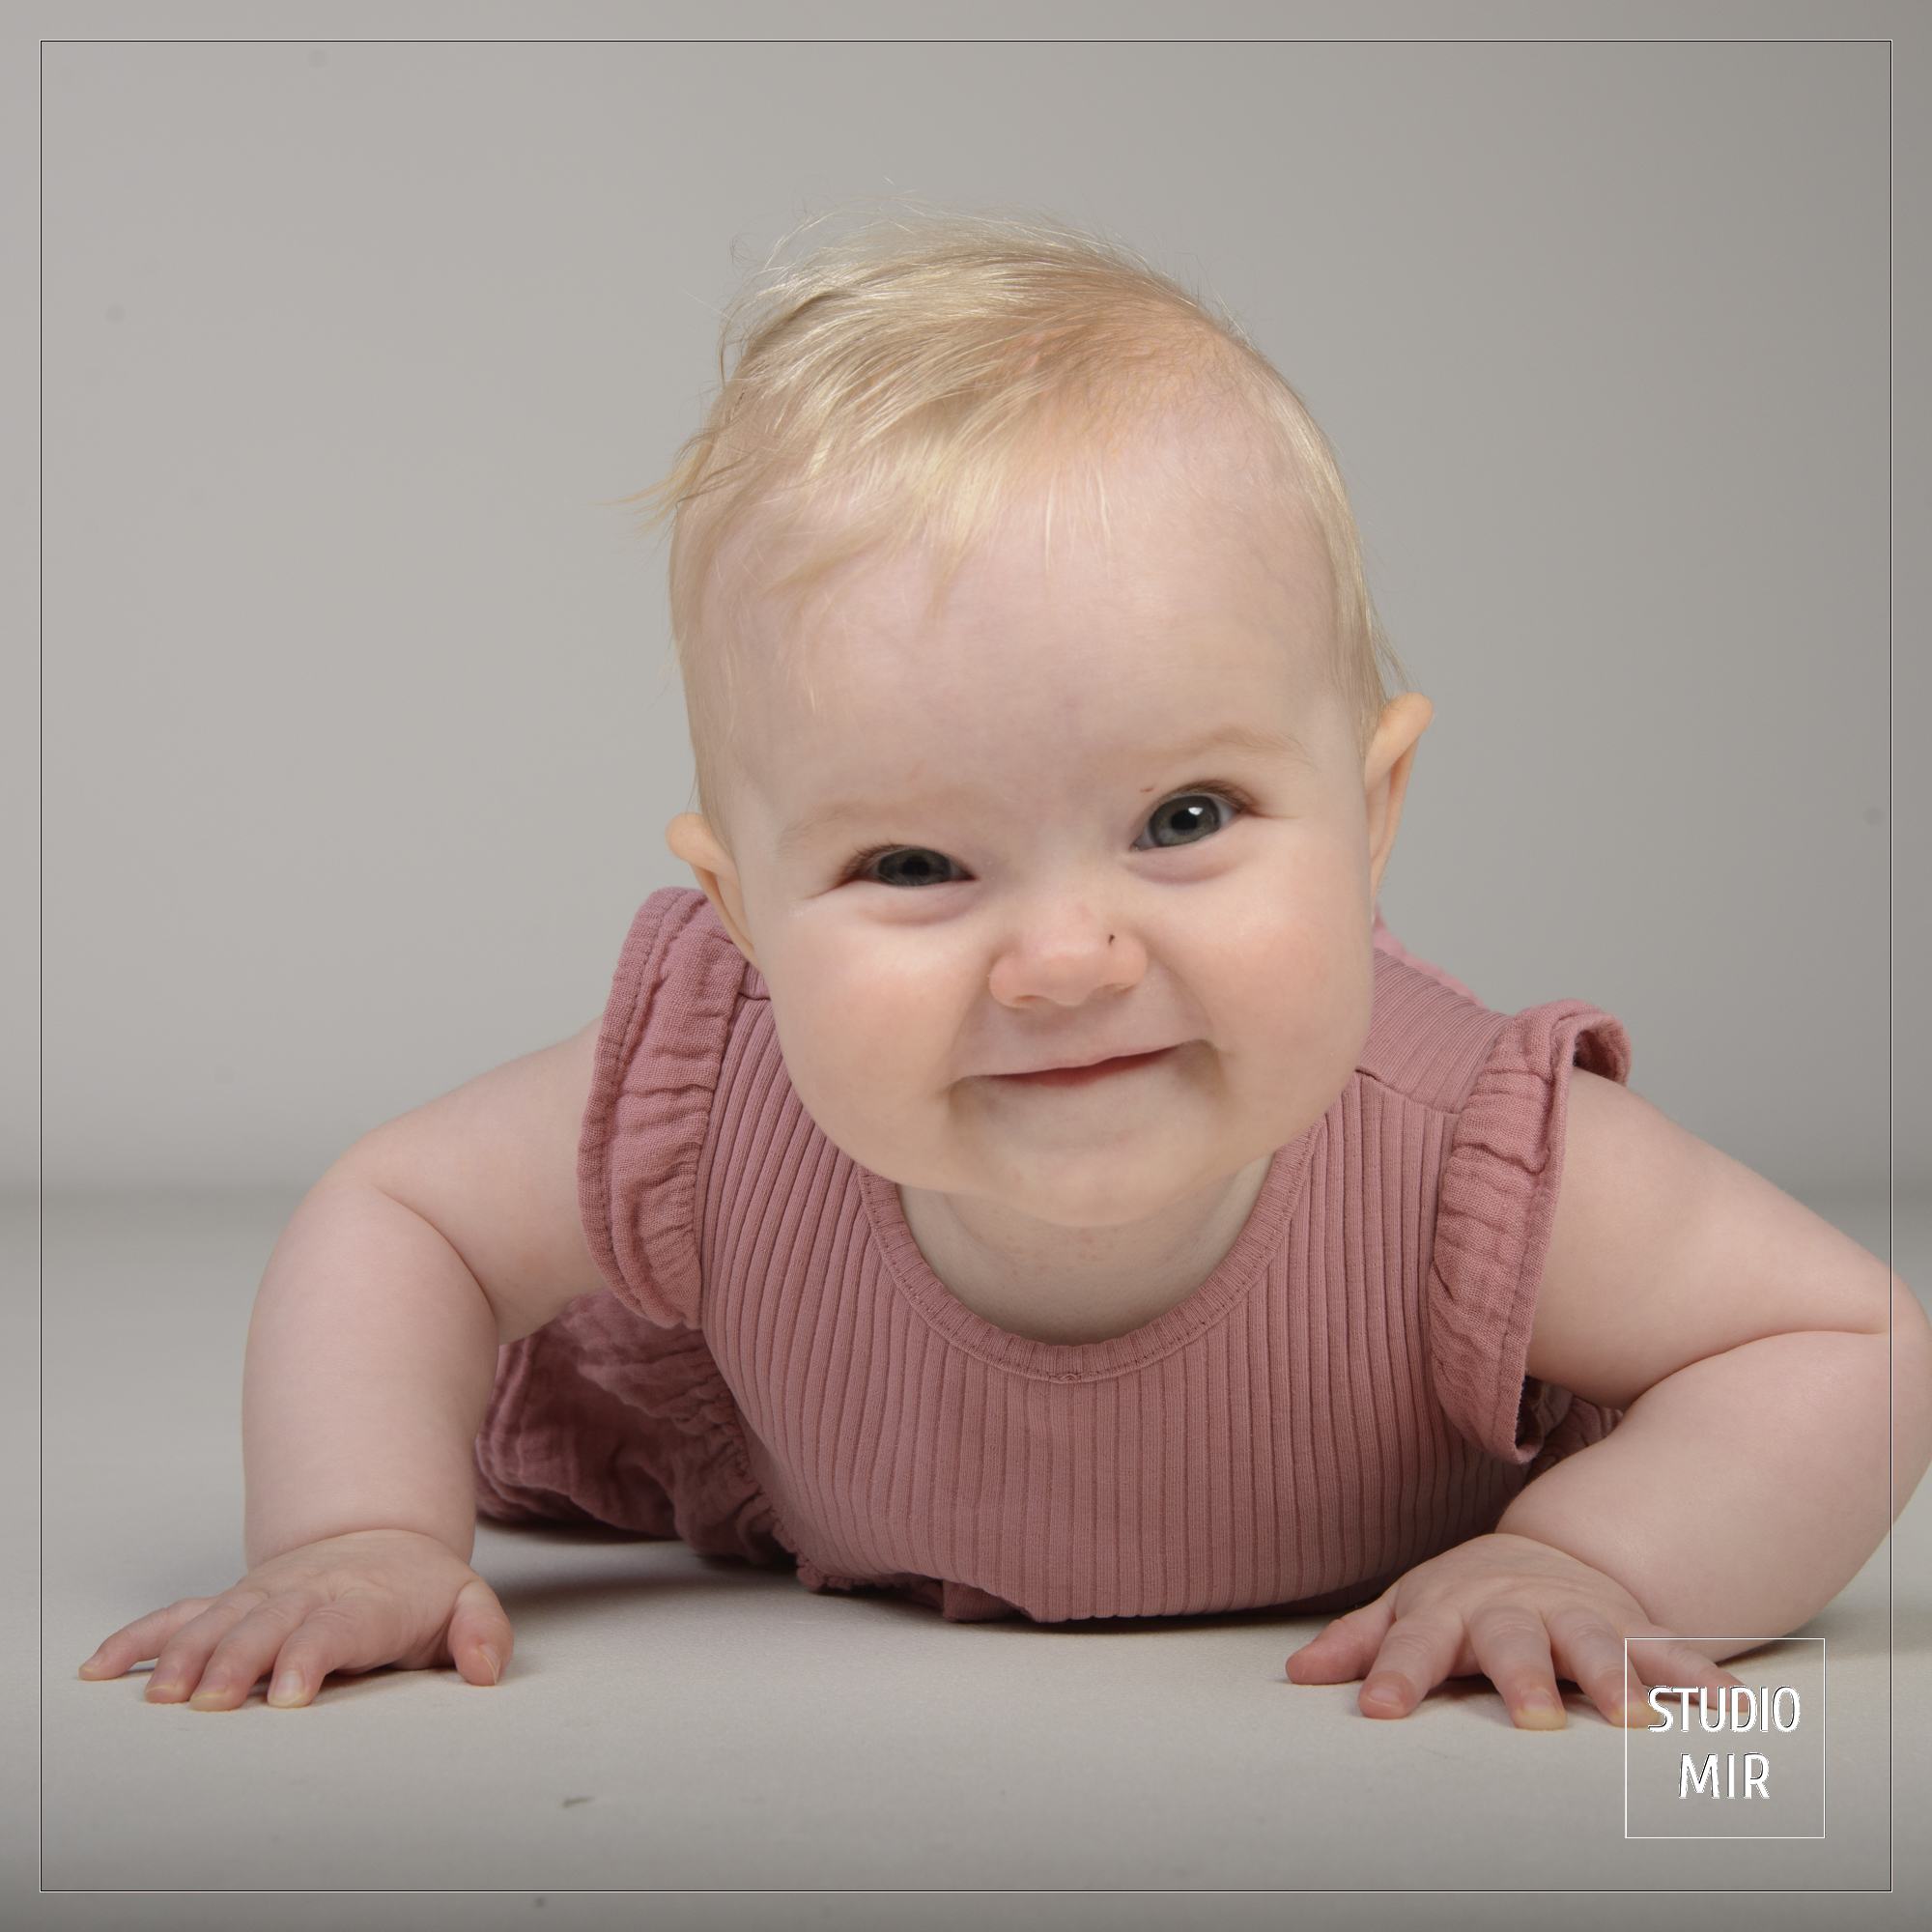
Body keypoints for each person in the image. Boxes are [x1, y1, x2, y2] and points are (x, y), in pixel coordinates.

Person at [80, 213, 1930, 1729]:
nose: (1061, 958)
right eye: (911, 864)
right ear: (742, 917)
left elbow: (1846, 1343)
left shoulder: (1453, 1157)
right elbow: (405, 1211)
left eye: (1188, 816)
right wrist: (354, 1530)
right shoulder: (723, 1088)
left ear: (1370, 816)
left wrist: (1598, 1563)